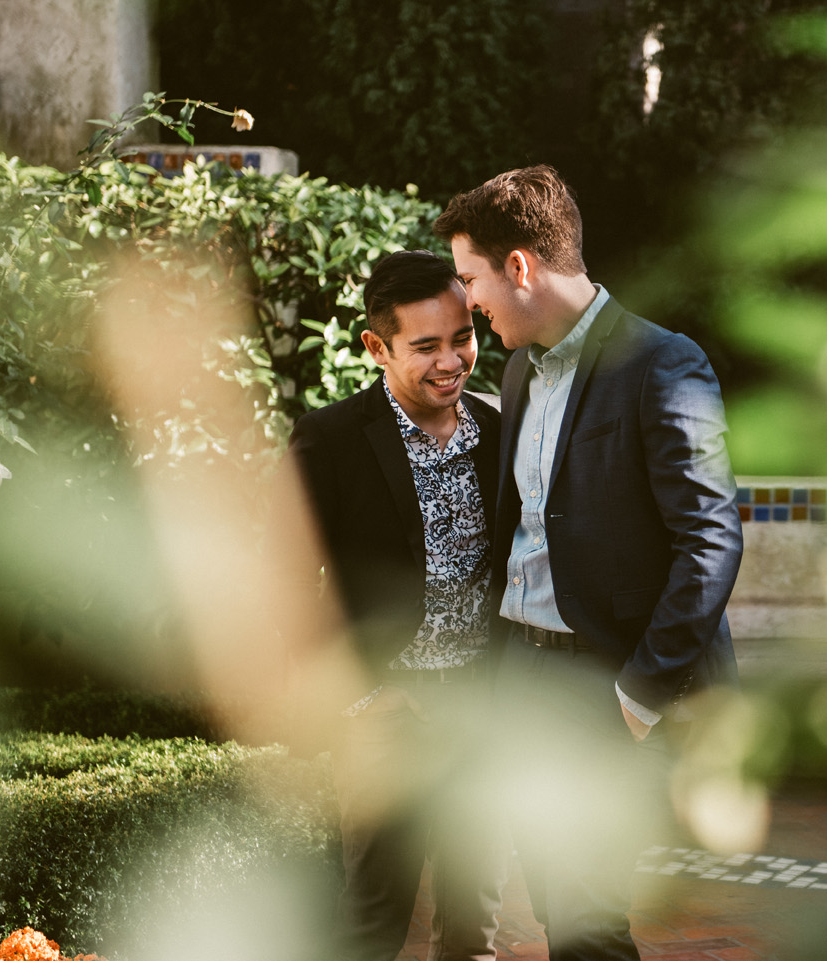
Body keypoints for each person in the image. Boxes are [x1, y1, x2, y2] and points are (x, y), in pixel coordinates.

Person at [433, 165, 744, 961]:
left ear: (520, 267)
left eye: (471, 278)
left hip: (604, 687)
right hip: (523, 679)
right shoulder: (517, 367)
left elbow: (709, 540)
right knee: (555, 910)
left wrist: (636, 699)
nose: (468, 301)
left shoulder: (662, 363)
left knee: (585, 924)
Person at [281, 250, 509, 961]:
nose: (452, 360)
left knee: (476, 927)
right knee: (372, 923)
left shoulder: (502, 430)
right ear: (376, 348)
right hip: (385, 717)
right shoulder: (330, 438)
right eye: (426, 346)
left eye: (462, 337)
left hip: (482, 708)